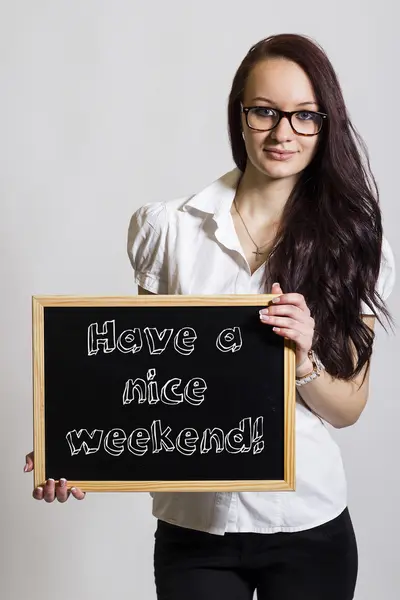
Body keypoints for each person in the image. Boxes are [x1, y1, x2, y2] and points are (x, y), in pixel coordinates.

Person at [24, 33, 395, 600]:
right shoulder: (168, 229)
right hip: (193, 527)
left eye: (304, 116)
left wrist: (303, 361)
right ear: (240, 115)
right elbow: (142, 372)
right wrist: (71, 443)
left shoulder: (356, 245)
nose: (282, 132)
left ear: (326, 124)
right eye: (265, 111)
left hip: (307, 524)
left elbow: (348, 408)